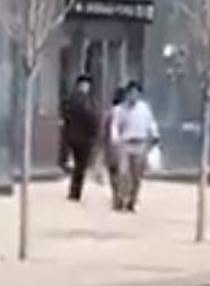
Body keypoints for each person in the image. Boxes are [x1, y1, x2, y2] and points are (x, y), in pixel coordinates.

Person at [110, 81, 159, 212]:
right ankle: (120, 199)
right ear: (127, 94)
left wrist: (154, 135)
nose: (133, 96)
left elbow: (151, 123)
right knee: (123, 174)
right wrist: (115, 140)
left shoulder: (144, 108)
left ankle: (132, 201)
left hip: (140, 144)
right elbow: (114, 126)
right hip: (125, 144)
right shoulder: (119, 109)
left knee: (136, 176)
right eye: (131, 93)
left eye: (136, 93)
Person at [61, 75, 101, 201]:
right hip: (83, 139)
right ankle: (75, 192)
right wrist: (95, 134)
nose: (86, 87)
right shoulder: (86, 101)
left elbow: (66, 117)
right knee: (80, 166)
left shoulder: (71, 99)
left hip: (74, 137)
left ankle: (74, 190)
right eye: (85, 84)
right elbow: (92, 118)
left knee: (78, 165)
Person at [103, 86, 126, 210]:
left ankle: (117, 196)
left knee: (114, 174)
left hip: (111, 149)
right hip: (123, 148)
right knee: (122, 174)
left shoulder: (109, 113)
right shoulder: (125, 112)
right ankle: (121, 197)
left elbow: (105, 134)